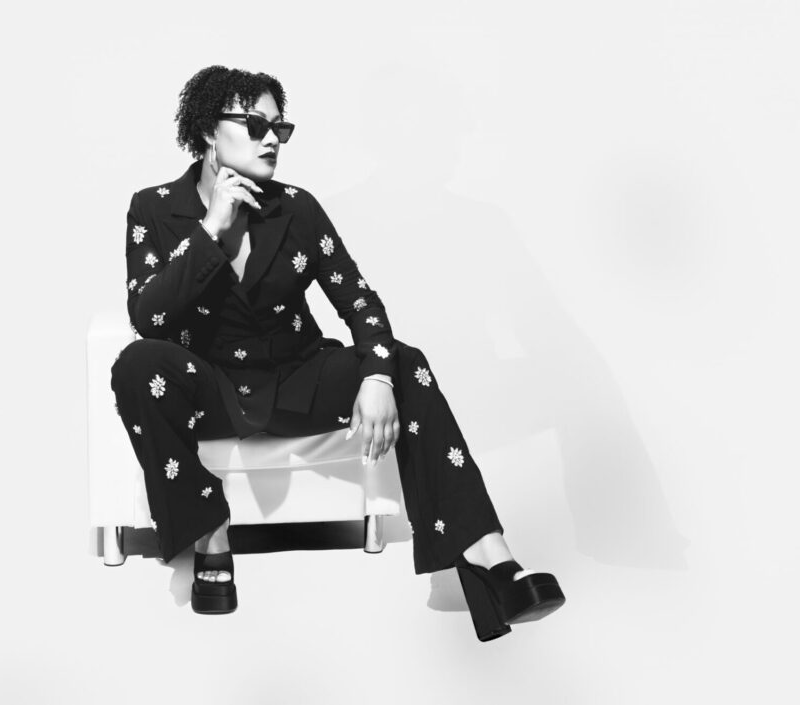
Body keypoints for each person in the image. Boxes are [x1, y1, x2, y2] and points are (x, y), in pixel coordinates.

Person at [109, 65, 565, 641]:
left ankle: (488, 555)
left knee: (404, 361)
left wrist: (377, 377)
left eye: (280, 128)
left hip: (296, 379)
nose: (272, 139)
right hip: (212, 388)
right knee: (136, 366)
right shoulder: (153, 208)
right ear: (206, 131)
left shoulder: (296, 208)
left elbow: (360, 302)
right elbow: (148, 317)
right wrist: (211, 229)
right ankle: (209, 533)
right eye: (255, 125)